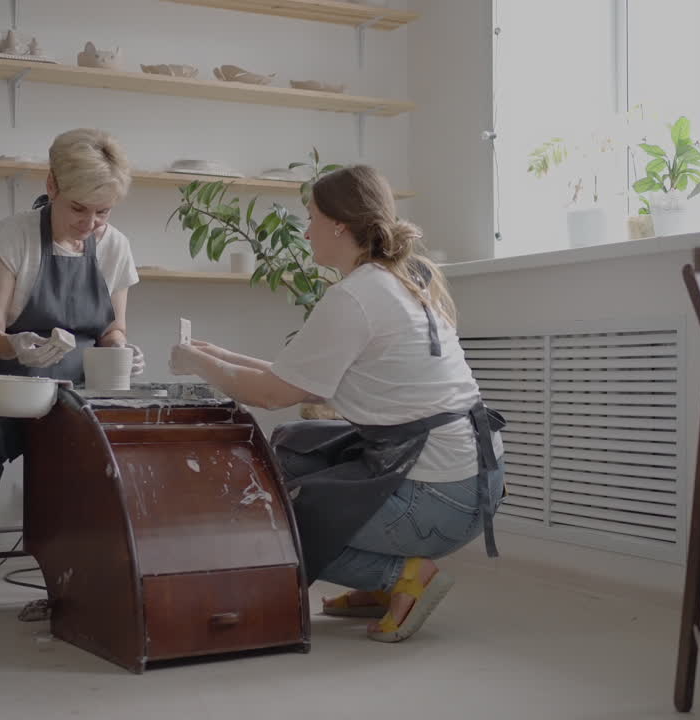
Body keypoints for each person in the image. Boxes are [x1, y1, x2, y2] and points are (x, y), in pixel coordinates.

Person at [168, 165, 506, 643]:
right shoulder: (397, 279)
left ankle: (401, 579)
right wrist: (218, 356)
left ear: (339, 225)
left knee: (275, 513)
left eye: (311, 217)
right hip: (473, 483)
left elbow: (270, 395)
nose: (305, 232)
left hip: (439, 501)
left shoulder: (356, 296)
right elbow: (296, 377)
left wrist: (195, 364)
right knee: (297, 448)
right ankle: (378, 582)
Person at [0, 128, 144, 624]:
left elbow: (113, 326)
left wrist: (122, 350)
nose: (90, 223)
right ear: (52, 184)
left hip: (77, 395)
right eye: (79, 209)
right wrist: (17, 345)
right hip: (7, 389)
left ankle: (88, 577)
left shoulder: (115, 247)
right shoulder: (12, 236)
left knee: (124, 440)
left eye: (103, 212)